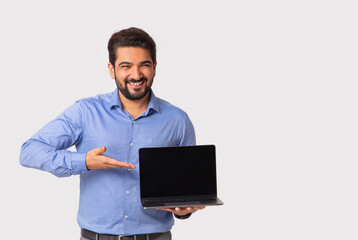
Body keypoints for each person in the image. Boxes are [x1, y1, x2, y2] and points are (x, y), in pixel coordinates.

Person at [20, 27, 205, 240]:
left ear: (154, 67)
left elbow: (188, 187)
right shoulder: (85, 112)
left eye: (144, 65)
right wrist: (85, 162)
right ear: (111, 69)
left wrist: (185, 210)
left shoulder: (178, 120)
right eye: (126, 66)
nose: (136, 75)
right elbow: (29, 151)